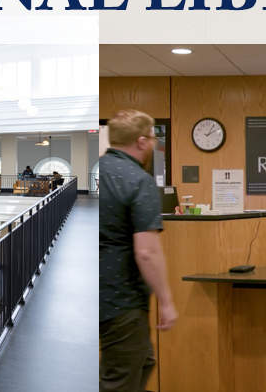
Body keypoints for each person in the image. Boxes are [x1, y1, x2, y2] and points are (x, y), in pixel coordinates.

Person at [99, 110, 178, 392]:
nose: (155, 145)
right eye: (155, 139)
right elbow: (147, 252)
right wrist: (166, 301)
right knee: (119, 381)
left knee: (143, 361)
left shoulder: (101, 170)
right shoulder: (138, 180)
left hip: (100, 293)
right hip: (121, 298)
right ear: (142, 141)